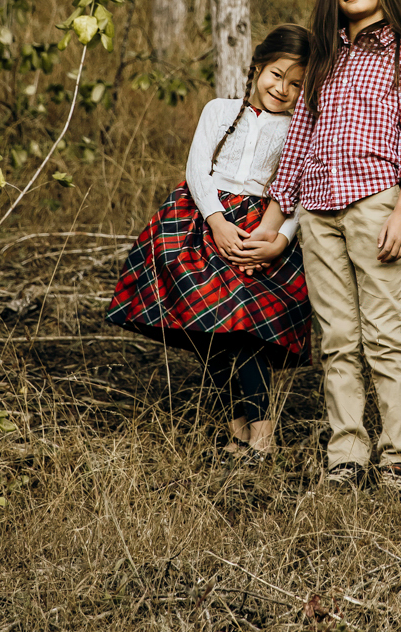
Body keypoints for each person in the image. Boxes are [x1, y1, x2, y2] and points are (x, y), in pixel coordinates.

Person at [252, 0, 401, 496]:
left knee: (383, 335)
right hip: (318, 214)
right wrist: (274, 219)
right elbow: (301, 142)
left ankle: (397, 458)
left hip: (375, 203)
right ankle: (346, 454)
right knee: (336, 337)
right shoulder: (323, 59)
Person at [105, 24, 316, 459]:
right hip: (202, 222)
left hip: (260, 230)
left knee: (244, 324)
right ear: (258, 66)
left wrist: (280, 239)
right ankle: (238, 426)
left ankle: (261, 434)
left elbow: (296, 190)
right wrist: (217, 221)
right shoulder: (219, 110)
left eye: (297, 84)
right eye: (277, 75)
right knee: (210, 327)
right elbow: (197, 169)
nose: (283, 89)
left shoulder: (300, 129)